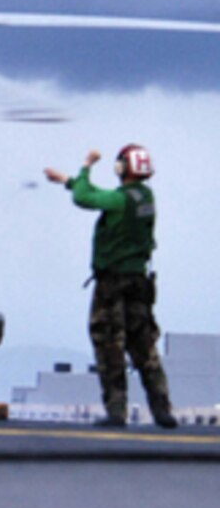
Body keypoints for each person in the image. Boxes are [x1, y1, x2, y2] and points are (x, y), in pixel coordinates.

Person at [44, 145, 177, 429]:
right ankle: (162, 409)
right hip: (139, 282)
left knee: (109, 344)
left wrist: (86, 165)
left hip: (112, 283)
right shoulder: (146, 197)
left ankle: (117, 410)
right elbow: (100, 197)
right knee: (143, 345)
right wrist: (67, 181)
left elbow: (85, 198)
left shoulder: (120, 200)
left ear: (121, 168)